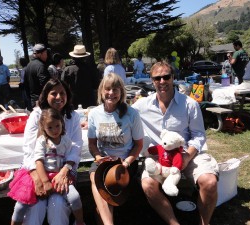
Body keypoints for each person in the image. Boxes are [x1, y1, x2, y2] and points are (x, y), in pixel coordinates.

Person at [132, 61, 219, 225]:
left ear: (173, 78)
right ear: (152, 80)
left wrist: (187, 156)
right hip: (159, 158)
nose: (162, 81)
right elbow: (120, 110)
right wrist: (90, 118)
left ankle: (204, 222)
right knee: (148, 184)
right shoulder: (141, 106)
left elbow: (199, 135)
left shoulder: (189, 104)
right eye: (157, 78)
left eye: (166, 77)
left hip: (187, 153)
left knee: (209, 182)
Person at [20, 78, 83, 225]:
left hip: (64, 168)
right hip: (36, 169)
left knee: (58, 203)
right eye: (54, 93)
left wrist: (64, 172)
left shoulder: (72, 117)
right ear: (45, 95)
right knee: (37, 203)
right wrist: (38, 179)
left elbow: (76, 147)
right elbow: (29, 150)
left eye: (62, 93)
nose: (59, 97)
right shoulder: (36, 115)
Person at [9, 107, 85, 225]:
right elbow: (38, 161)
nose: (54, 130)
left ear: (62, 124)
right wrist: (44, 182)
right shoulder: (42, 141)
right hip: (42, 175)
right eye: (50, 127)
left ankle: (80, 222)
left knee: (74, 197)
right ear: (43, 128)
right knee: (21, 205)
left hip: (57, 177)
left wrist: (66, 173)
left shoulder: (66, 140)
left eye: (57, 126)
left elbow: (70, 157)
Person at [87, 72, 144, 225]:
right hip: (103, 161)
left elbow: (139, 145)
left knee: (109, 180)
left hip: (125, 162)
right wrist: (98, 157)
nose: (111, 93)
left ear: (121, 92)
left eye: (115, 89)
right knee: (95, 177)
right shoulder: (94, 113)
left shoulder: (132, 114)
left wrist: (126, 163)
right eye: (107, 89)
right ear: (101, 91)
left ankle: (105, 220)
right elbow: (92, 144)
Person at [61, 44, 100, 109]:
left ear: (73, 57)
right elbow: (96, 85)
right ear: (85, 57)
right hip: (89, 101)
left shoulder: (67, 70)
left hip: (73, 102)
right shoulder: (91, 69)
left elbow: (63, 86)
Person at [24, 43, 51, 111]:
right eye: (45, 53)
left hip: (33, 100)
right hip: (42, 101)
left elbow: (25, 85)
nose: (47, 56)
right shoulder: (41, 66)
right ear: (40, 54)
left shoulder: (28, 65)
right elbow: (45, 84)